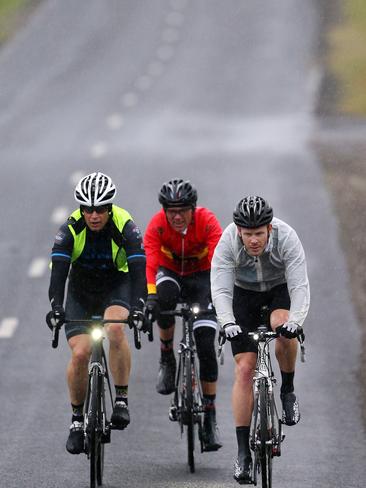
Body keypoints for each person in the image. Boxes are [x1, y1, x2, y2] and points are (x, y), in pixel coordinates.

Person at [211, 195, 310, 484]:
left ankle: (287, 390)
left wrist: (295, 322)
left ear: (269, 228)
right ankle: (243, 453)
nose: (253, 240)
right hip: (243, 295)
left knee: (282, 325)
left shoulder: (287, 237)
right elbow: (220, 289)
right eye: (248, 234)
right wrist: (227, 322)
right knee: (244, 369)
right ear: (238, 231)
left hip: (278, 290)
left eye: (259, 233)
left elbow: (300, 286)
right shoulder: (228, 242)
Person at [46, 172, 147, 455]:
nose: (94, 215)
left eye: (100, 209)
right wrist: (56, 308)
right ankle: (77, 420)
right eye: (88, 209)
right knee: (80, 353)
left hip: (116, 284)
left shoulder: (124, 225)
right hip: (81, 289)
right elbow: (58, 276)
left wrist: (139, 307)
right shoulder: (70, 228)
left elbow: (139, 270)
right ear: (81, 209)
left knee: (115, 329)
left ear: (109, 207)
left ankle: (122, 399)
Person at [144, 178, 223, 452]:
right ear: (164, 210)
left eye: (183, 210)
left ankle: (210, 416)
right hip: (170, 272)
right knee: (163, 300)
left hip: (202, 276)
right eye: (171, 210)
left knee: (205, 343)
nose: (177, 216)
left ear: (193, 208)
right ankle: (167, 357)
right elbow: (151, 261)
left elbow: (219, 260)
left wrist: (219, 297)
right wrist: (151, 297)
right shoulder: (157, 224)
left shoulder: (208, 221)